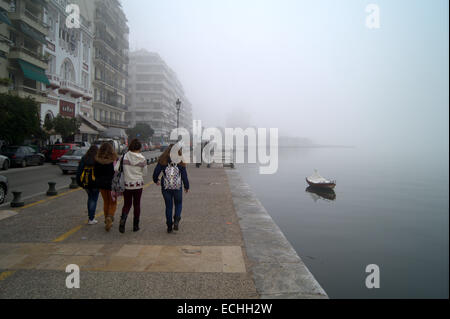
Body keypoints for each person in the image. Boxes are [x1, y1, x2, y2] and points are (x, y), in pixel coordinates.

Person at [153, 144, 190, 233]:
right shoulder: (180, 161)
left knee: (168, 206)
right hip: (177, 187)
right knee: (178, 203)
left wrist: (156, 180)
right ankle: (176, 219)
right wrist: (186, 186)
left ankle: (169, 226)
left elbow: (155, 173)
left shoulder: (162, 161)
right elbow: (184, 175)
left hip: (166, 187)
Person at [116, 139, 148, 233]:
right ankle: (135, 226)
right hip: (138, 185)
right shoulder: (142, 158)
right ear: (139, 148)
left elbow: (116, 168)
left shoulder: (124, 157)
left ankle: (123, 221)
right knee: (137, 204)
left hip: (126, 185)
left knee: (127, 204)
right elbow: (145, 173)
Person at [94, 142, 118, 231]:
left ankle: (106, 218)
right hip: (112, 185)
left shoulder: (97, 160)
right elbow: (117, 172)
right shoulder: (114, 159)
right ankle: (110, 217)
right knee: (113, 203)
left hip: (101, 184)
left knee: (106, 202)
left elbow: (95, 173)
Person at [76, 145, 100, 225]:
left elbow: (79, 171)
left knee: (90, 198)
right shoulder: (98, 159)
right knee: (93, 199)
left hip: (86, 182)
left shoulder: (84, 158)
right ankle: (91, 218)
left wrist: (79, 182)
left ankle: (90, 217)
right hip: (95, 183)